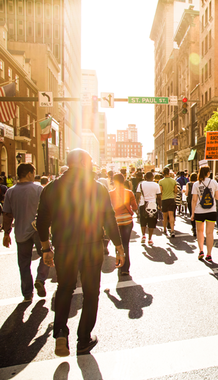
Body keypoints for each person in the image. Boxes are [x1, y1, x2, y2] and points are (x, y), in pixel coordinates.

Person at [37, 149, 125, 357]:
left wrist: (45, 248)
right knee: (91, 292)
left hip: (64, 247)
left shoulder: (51, 188)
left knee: (65, 288)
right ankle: (83, 339)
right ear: (85, 164)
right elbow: (108, 219)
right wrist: (119, 246)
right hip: (91, 246)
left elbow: (42, 221)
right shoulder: (96, 189)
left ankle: (60, 332)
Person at [2, 163, 49, 302]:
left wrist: (6, 233)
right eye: (33, 172)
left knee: (23, 263)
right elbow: (47, 210)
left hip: (21, 232)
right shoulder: (38, 189)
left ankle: (27, 294)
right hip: (37, 230)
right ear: (28, 173)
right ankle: (40, 278)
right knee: (47, 254)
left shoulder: (10, 192)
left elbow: (7, 214)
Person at [109, 173, 138, 277]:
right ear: (124, 180)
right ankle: (125, 268)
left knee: (118, 243)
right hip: (127, 221)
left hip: (115, 221)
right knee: (125, 244)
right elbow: (135, 206)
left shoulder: (110, 193)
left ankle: (119, 263)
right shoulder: (129, 192)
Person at [191, 165, 218, 262]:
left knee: (200, 231)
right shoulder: (214, 182)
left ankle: (201, 251)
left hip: (199, 211)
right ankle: (209, 254)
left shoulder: (196, 184)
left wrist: (192, 213)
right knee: (210, 233)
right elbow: (217, 197)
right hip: (211, 210)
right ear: (208, 173)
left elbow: (194, 200)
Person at [136, 172, 162, 246]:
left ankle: (143, 235)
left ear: (145, 177)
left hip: (142, 205)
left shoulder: (141, 184)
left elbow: (138, 195)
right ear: (152, 177)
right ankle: (150, 239)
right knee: (151, 222)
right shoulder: (156, 185)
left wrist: (136, 205)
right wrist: (160, 206)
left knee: (143, 221)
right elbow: (159, 197)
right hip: (153, 205)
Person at [159, 168, 178, 237]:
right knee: (171, 215)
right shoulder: (173, 181)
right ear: (169, 172)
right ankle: (172, 230)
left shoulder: (161, 181)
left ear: (163, 173)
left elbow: (160, 191)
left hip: (164, 199)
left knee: (164, 215)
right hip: (171, 199)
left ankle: (164, 229)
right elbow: (176, 191)